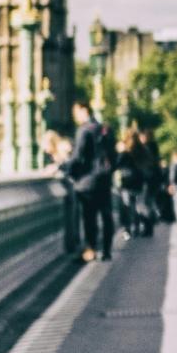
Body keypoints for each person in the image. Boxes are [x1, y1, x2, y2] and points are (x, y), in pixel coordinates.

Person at [64, 99, 114, 261]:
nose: (74, 117)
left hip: (88, 181)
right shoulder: (104, 129)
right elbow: (113, 155)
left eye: (75, 113)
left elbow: (78, 157)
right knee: (106, 214)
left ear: (83, 110)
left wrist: (66, 170)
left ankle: (90, 249)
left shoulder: (84, 130)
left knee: (89, 218)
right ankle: (106, 251)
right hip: (104, 179)